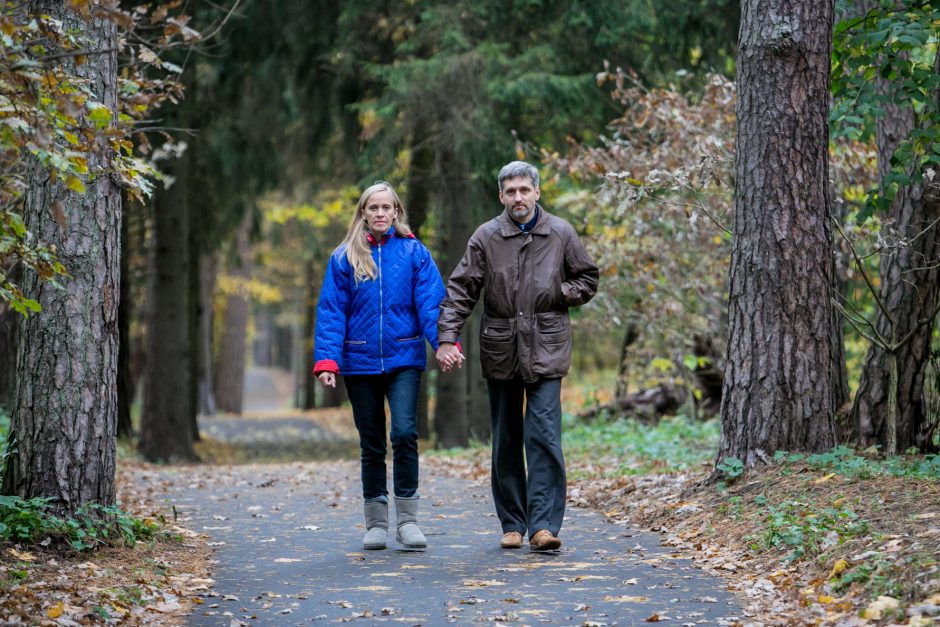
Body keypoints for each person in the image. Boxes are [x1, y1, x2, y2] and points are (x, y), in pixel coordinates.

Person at [436, 161, 599, 551]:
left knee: (543, 436)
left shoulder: (560, 232)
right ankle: (512, 523)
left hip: (547, 347)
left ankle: (543, 526)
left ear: (537, 192)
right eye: (510, 192)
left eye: (524, 190)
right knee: (506, 438)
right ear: (501, 196)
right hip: (501, 347)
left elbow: (588, 279)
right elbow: (461, 290)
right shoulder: (486, 237)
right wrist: (446, 338)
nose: (518, 198)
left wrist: (560, 293)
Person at [314, 181, 457, 550]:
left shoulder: (414, 253)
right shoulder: (344, 257)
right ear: (363, 212)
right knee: (372, 442)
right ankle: (376, 523)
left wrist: (444, 343)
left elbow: (431, 303)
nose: (380, 213)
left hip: (404, 358)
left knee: (405, 433)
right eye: (373, 208)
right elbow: (332, 312)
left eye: (386, 207)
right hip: (358, 361)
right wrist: (328, 361)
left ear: (397, 212)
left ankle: (408, 521)